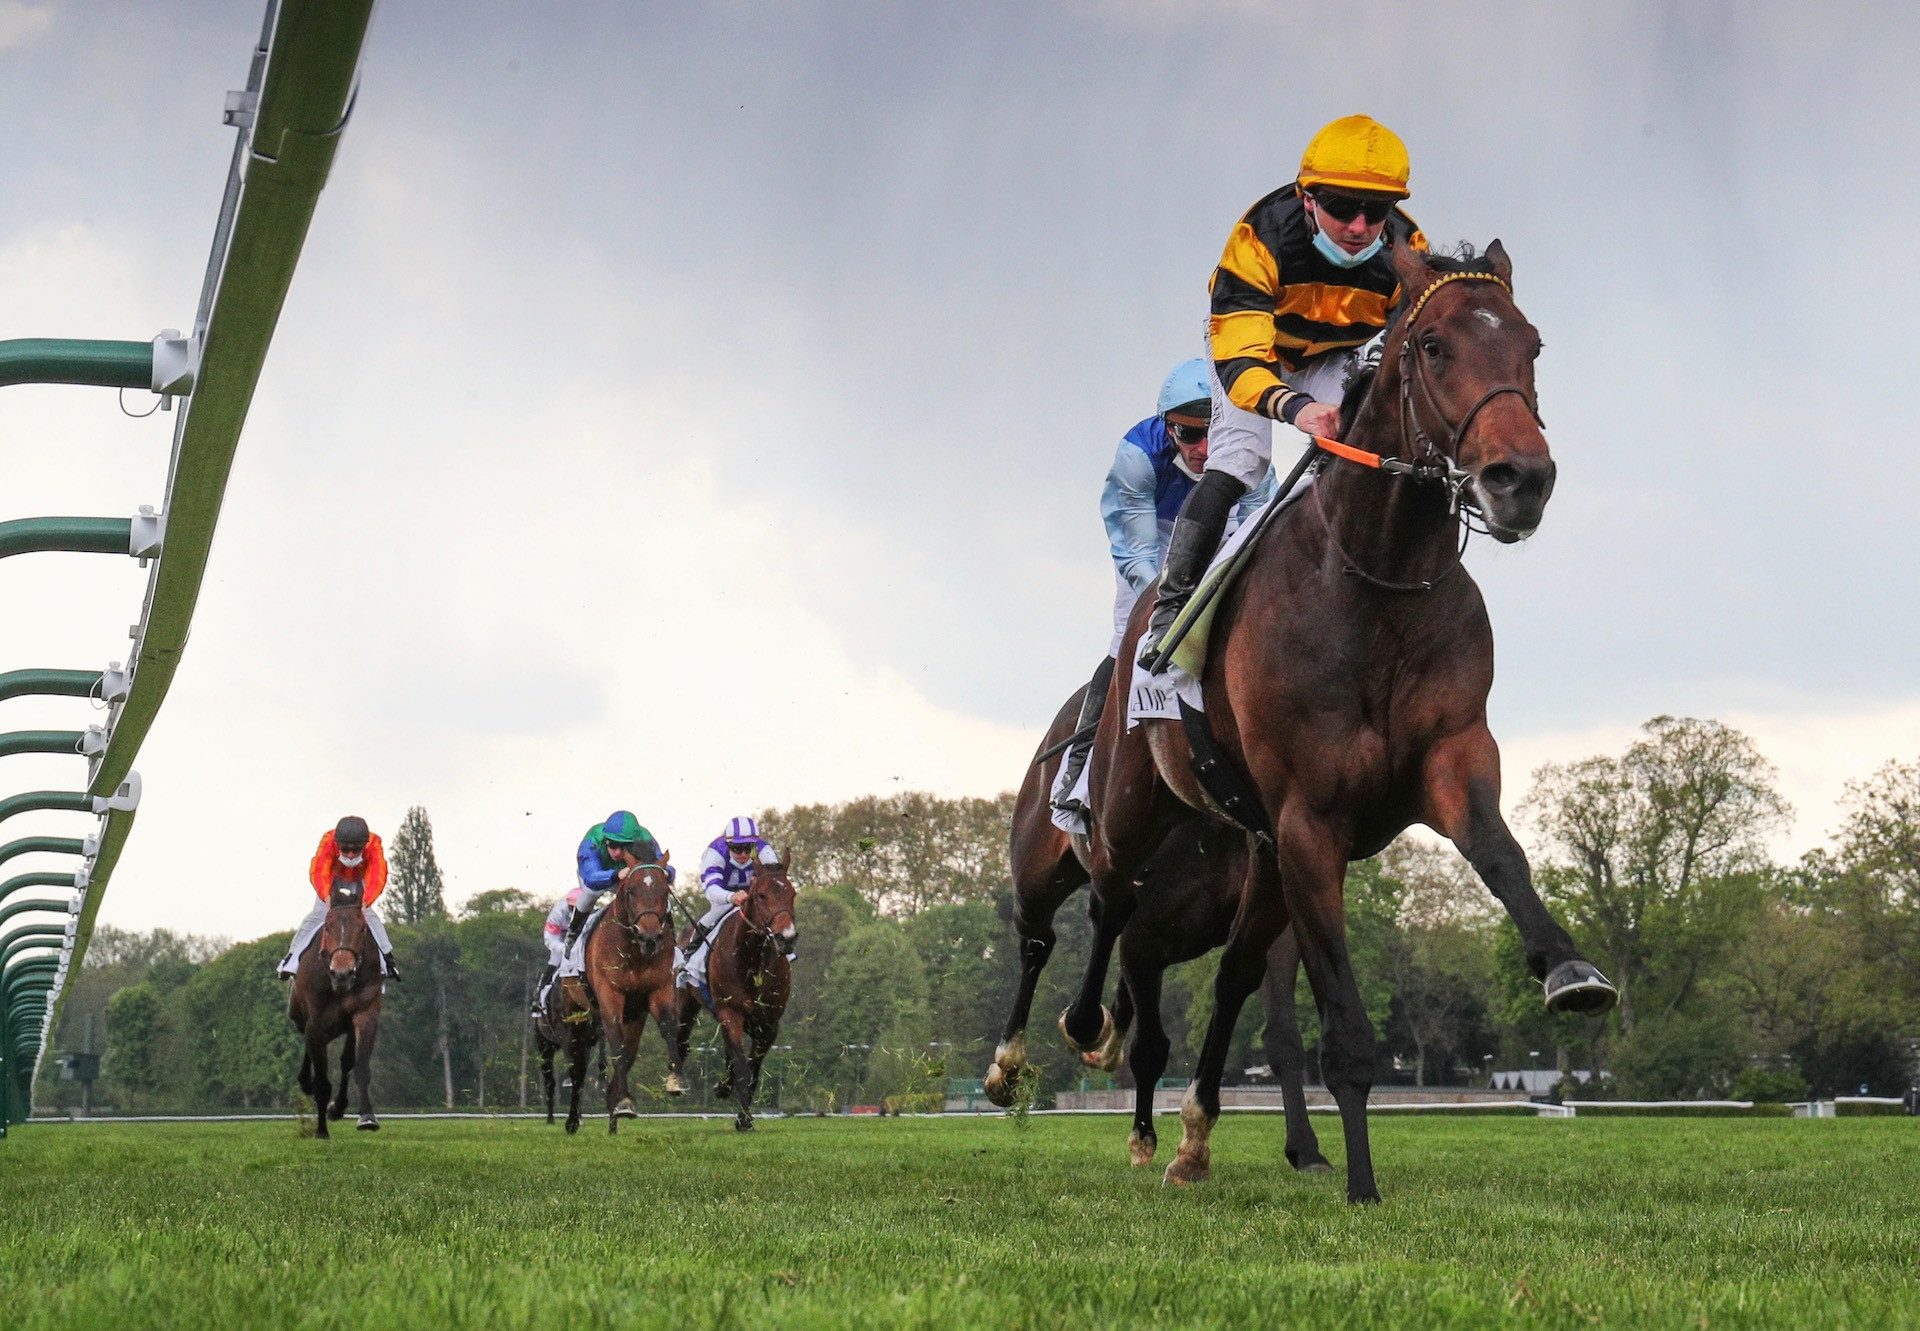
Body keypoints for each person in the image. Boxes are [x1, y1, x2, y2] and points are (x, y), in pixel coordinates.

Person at [1139, 113, 1430, 668]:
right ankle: (1170, 609)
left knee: (1371, 437)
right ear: (1306, 198)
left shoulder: (1407, 250)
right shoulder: (1258, 239)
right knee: (1241, 461)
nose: (1360, 226)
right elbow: (1242, 364)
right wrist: (1297, 411)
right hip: (1254, 346)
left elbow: (1408, 345)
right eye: (1342, 207)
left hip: (1336, 352)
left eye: (1377, 211)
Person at [1050, 358, 1276, 823]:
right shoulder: (1137, 457)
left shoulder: (1251, 459)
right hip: (1154, 539)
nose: (1203, 448)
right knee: (1126, 640)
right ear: (1166, 426)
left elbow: (1259, 538)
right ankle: (1081, 773)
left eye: (1212, 431)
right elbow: (1136, 556)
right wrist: (1169, 597)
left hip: (1225, 526)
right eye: (1188, 434)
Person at [531, 810, 672, 1014]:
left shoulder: (646, 838)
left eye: (622, 847)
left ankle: (668, 940)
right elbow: (591, 877)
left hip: (630, 877)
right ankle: (573, 933)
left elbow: (662, 865)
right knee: (589, 894)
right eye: (612, 845)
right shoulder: (591, 842)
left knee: (653, 895)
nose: (616, 853)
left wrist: (665, 873)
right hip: (598, 876)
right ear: (605, 840)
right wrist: (616, 873)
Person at [276, 815, 398, 979]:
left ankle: (387, 960)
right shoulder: (328, 841)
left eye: (355, 850)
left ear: (364, 844)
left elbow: (377, 875)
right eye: (345, 850)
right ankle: (291, 960)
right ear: (338, 844)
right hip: (334, 877)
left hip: (360, 878)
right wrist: (325, 895)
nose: (349, 855)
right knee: (318, 914)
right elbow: (319, 870)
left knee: (368, 915)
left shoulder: (374, 845)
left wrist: (366, 900)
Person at [677, 815, 783, 992]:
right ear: (728, 845)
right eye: (736, 848)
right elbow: (711, 889)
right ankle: (691, 959)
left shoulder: (765, 851)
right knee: (711, 918)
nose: (742, 854)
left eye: (747, 848)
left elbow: (775, 883)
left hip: (755, 901)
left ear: (754, 846)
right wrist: (731, 897)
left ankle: (785, 952)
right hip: (723, 899)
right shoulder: (714, 853)